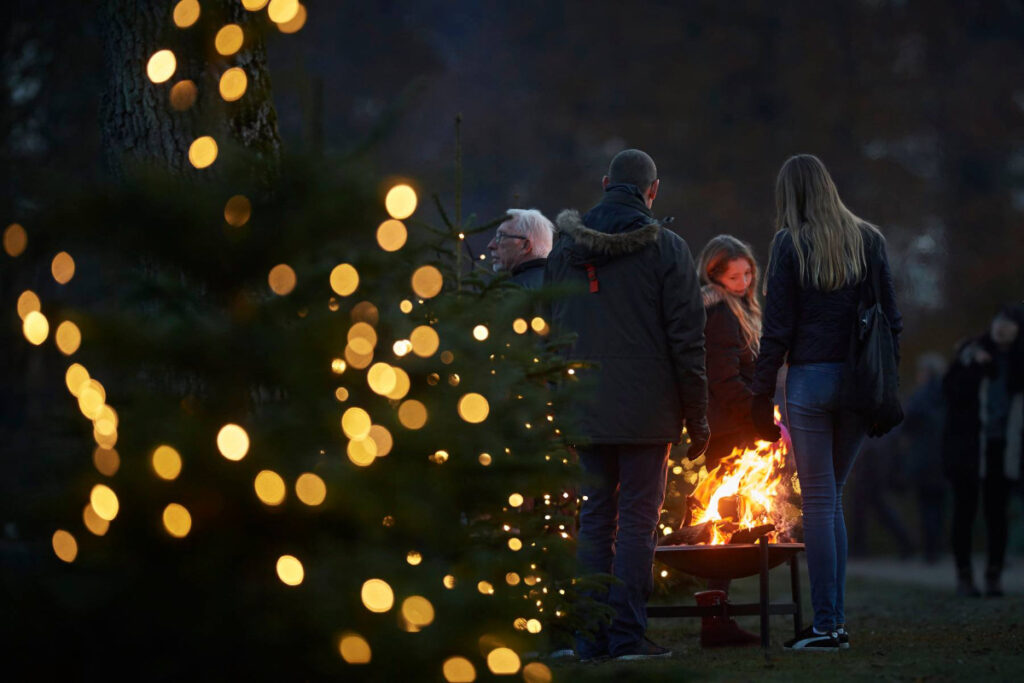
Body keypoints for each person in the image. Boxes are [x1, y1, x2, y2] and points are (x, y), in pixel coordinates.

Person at [546, 149, 709, 661]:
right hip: (647, 410)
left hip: (585, 403)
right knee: (638, 521)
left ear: (604, 183)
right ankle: (626, 638)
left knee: (594, 520)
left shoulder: (565, 249)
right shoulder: (669, 249)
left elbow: (548, 328)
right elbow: (688, 338)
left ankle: (586, 638)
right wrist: (697, 416)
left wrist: (558, 399)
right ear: (652, 190)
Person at [750, 154, 902, 652]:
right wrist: (886, 389)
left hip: (810, 381)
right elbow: (891, 322)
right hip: (860, 383)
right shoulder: (869, 239)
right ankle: (832, 623)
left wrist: (759, 395)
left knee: (818, 501)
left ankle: (828, 625)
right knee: (832, 497)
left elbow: (776, 331)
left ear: (788, 195)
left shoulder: (789, 243)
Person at [693, 235, 763, 647]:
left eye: (747, 273)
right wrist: (757, 415)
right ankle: (715, 622)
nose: (742, 281)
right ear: (713, 275)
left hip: (737, 427)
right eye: (733, 275)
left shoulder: (742, 308)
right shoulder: (719, 311)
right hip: (730, 432)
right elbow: (724, 379)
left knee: (731, 524)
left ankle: (717, 620)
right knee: (725, 525)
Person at [942, 305, 1024, 597]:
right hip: (969, 445)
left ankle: (994, 574)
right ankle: (964, 574)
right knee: (964, 512)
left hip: (1002, 449)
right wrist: (973, 364)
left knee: (997, 514)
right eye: (999, 319)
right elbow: (949, 392)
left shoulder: (1018, 363)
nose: (1002, 326)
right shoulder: (971, 355)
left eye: (1010, 322)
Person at [901, 352, 947, 564]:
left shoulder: (920, 396)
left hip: (923, 458)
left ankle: (930, 551)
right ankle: (937, 548)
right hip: (945, 457)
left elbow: (907, 423)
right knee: (939, 506)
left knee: (926, 505)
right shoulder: (949, 394)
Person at [487, 208, 554, 289]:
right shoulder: (564, 285)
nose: (491, 245)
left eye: (501, 236)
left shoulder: (511, 291)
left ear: (525, 246)